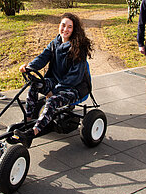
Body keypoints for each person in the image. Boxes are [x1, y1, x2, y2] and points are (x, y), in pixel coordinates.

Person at [14, 13, 93, 145]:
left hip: (76, 87)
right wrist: (29, 67)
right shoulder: (55, 43)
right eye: (63, 25)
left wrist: (54, 91)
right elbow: (42, 58)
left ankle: (32, 133)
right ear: (59, 26)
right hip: (56, 81)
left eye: (69, 27)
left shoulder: (78, 49)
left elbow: (74, 77)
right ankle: (27, 121)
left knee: (52, 101)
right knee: (34, 84)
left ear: (74, 30)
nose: (65, 29)